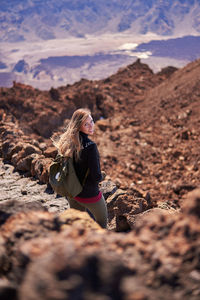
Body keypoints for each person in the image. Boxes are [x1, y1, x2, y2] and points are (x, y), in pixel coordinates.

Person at [52, 108, 108, 228]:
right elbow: (96, 176)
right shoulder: (91, 147)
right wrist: (102, 175)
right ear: (79, 126)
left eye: (91, 121)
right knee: (102, 223)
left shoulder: (68, 143)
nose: (91, 126)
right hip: (90, 195)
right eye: (86, 124)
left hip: (73, 193)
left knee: (77, 225)